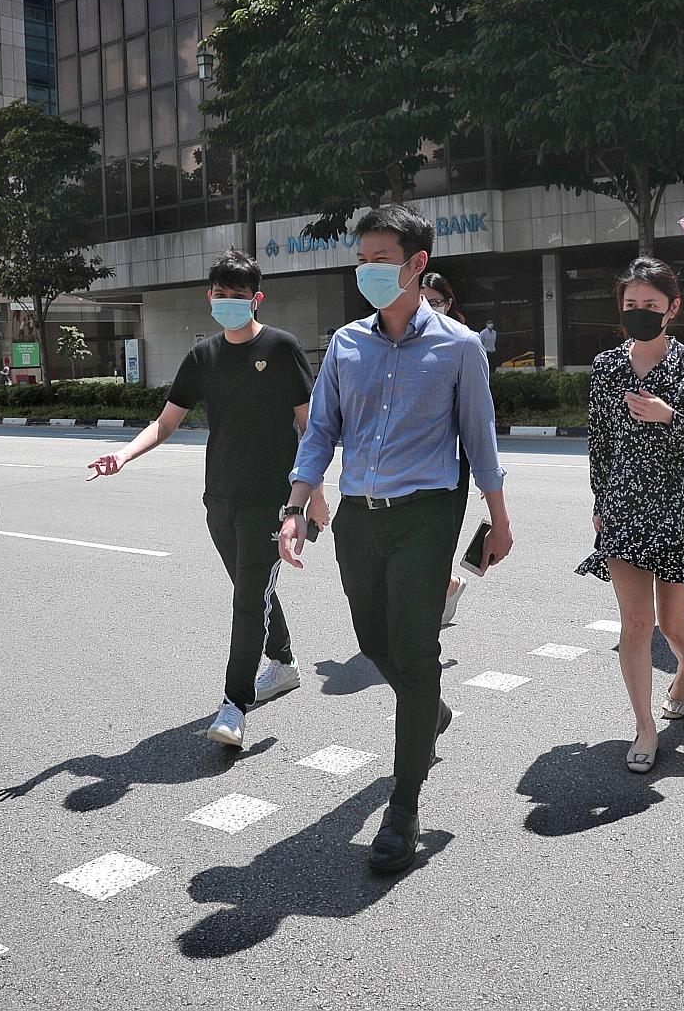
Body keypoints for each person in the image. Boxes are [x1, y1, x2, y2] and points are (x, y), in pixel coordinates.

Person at [279, 204, 512, 874]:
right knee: (373, 642)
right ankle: (428, 707)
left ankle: (404, 806)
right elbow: (320, 430)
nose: (367, 270)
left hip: (425, 514)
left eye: (380, 259)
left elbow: (480, 438)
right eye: (362, 259)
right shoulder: (347, 344)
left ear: (416, 265)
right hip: (358, 514)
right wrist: (297, 507)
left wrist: (500, 519)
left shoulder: (459, 347)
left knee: (414, 648)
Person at [87, 249, 327, 748]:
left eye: (238, 297)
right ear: (209, 297)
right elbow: (166, 422)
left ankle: (234, 704)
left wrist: (312, 500)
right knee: (251, 587)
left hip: (273, 499)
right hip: (220, 497)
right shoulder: (203, 356)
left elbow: (311, 429)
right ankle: (282, 662)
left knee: (246, 598)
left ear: (256, 299)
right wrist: (124, 455)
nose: (227, 303)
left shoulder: (282, 349)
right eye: (220, 295)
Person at [576, 257, 684, 772]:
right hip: (622, 505)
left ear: (672, 308)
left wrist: (669, 416)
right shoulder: (607, 366)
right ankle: (643, 726)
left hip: (675, 504)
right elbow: (600, 440)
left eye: (650, 305)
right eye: (631, 304)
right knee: (635, 624)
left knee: (671, 623)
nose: (639, 312)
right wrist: (599, 500)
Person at [421, 272, 475, 625]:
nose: (428, 307)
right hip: (416, 457)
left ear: (449, 303)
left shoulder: (462, 343)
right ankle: (447, 586)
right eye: (421, 298)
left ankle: (444, 587)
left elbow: (476, 415)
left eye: (435, 301)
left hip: (454, 459)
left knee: (437, 540)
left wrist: (490, 478)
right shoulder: (406, 341)